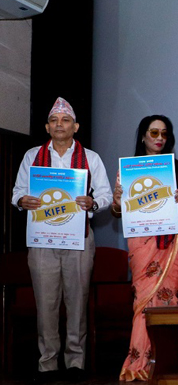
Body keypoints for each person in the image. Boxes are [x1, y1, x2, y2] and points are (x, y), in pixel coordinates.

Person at [12, 97, 112, 383]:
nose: (59, 125)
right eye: (54, 120)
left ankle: (75, 363)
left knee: (77, 301)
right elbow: (17, 192)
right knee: (46, 304)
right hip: (42, 239)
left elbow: (105, 195)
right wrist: (22, 200)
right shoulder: (32, 156)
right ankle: (47, 364)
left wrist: (93, 203)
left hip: (78, 239)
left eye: (65, 120)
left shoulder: (90, 158)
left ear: (75, 127)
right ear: (47, 127)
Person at [112, 115, 178, 380]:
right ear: (143, 136)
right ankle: (139, 363)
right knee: (145, 301)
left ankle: (171, 360)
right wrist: (117, 201)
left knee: (173, 302)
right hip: (143, 243)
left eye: (164, 133)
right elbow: (117, 211)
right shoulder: (129, 170)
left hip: (174, 243)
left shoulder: (177, 168)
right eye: (154, 133)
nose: (159, 138)